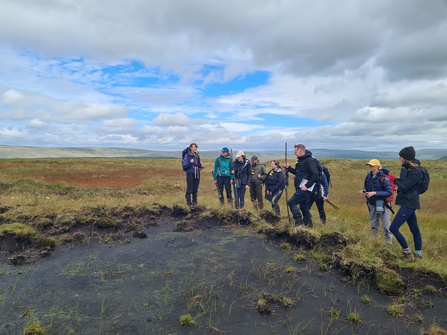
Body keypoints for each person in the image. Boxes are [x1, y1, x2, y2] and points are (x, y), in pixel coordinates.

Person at [389, 146, 423, 261]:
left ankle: (408, 253)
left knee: (393, 228)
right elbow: (406, 184)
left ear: (406, 158)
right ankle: (418, 254)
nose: (399, 158)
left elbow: (404, 186)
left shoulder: (416, 172)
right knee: (415, 229)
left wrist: (396, 180)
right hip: (407, 203)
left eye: (401, 156)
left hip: (410, 203)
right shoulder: (408, 170)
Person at [359, 159, 393, 244]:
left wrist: (375, 193)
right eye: (370, 165)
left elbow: (389, 192)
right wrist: (364, 191)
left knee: (386, 224)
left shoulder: (384, 178)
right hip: (372, 203)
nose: (370, 167)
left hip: (382, 203)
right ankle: (373, 241)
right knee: (374, 223)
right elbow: (367, 188)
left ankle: (388, 242)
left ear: (378, 167)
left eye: (372, 165)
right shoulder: (368, 176)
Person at [284, 144, 319, 227]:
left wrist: (306, 186)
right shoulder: (300, 160)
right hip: (300, 187)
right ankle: (309, 224)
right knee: (304, 206)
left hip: (305, 188)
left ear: (301, 151)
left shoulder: (309, 161)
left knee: (291, 202)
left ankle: (299, 222)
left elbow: (315, 175)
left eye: (295, 152)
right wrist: (289, 168)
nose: (294, 153)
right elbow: (298, 173)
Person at [182, 143, 203, 207]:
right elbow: (184, 166)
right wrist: (190, 163)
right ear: (190, 148)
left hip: (197, 173)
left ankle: (195, 202)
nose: (195, 148)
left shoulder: (197, 155)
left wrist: (200, 167)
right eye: (194, 147)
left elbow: (198, 164)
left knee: (195, 188)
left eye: (196, 147)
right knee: (190, 188)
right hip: (190, 173)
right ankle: (189, 203)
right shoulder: (187, 155)